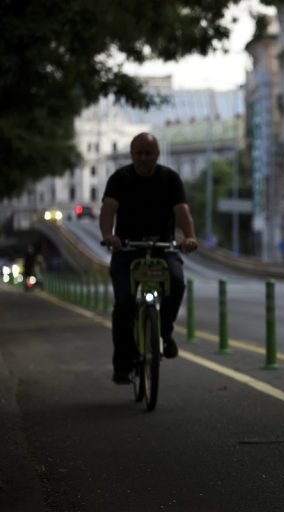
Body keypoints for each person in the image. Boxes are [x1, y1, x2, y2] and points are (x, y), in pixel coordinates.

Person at [100, 132, 198, 384]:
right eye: (138, 153)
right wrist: (108, 235)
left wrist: (189, 237)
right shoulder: (119, 179)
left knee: (176, 283)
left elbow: (182, 211)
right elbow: (108, 209)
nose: (143, 158)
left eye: (148, 153)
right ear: (132, 154)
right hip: (127, 249)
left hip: (163, 248)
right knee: (124, 304)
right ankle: (122, 364)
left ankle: (164, 331)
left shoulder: (170, 179)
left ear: (157, 154)